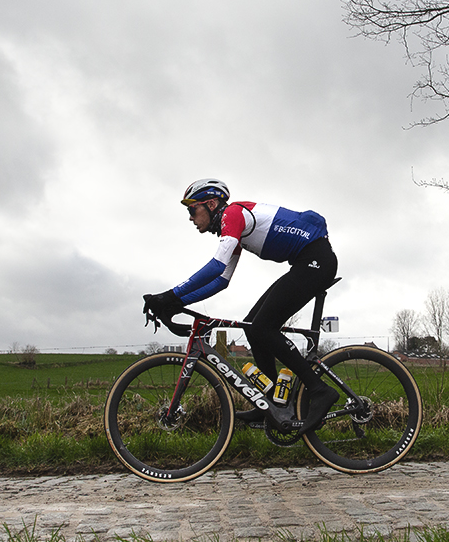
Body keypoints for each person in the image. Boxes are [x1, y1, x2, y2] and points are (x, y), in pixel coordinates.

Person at [143, 178, 340, 434]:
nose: (191, 217)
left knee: (263, 327)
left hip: (316, 261)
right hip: (306, 261)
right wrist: (178, 302)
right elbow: (221, 280)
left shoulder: (233, 213)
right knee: (253, 326)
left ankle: (319, 390)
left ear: (211, 204)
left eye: (192, 210)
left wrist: (169, 295)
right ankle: (269, 402)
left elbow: (215, 266)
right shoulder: (232, 227)